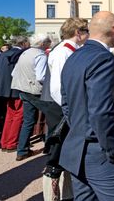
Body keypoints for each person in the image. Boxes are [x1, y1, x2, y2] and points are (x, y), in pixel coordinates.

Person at [60, 11, 114, 201]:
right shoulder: (103, 58)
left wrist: (79, 128)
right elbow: (101, 111)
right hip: (100, 152)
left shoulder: (74, 56)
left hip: (77, 148)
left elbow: (66, 103)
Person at [42, 17, 89, 201]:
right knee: (56, 156)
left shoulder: (70, 50)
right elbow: (57, 88)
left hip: (66, 109)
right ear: (78, 33)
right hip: (61, 110)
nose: (88, 35)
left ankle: (67, 194)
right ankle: (52, 197)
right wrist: (71, 112)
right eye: (86, 31)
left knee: (67, 153)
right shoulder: (63, 52)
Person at [10, 33, 52, 161]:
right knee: (51, 117)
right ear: (42, 43)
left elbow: (13, 73)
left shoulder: (25, 53)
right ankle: (49, 148)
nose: (49, 43)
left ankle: (22, 151)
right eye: (48, 42)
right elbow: (41, 77)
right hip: (35, 91)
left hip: (23, 90)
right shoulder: (40, 54)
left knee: (28, 121)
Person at [0, 35, 29, 152]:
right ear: (23, 43)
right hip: (16, 88)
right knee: (18, 115)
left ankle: (4, 142)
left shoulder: (3, 54)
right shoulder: (20, 54)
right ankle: (11, 143)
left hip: (3, 89)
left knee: (10, 115)